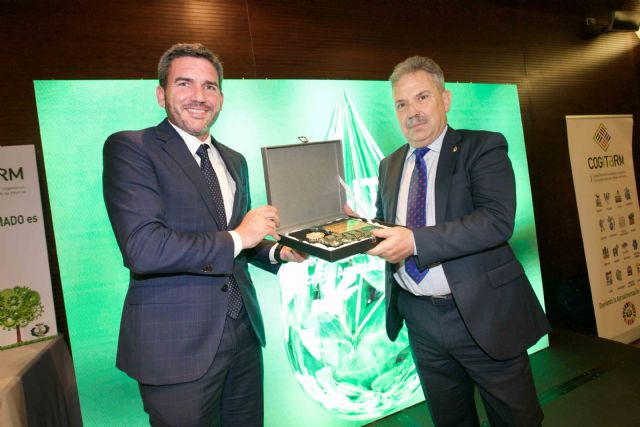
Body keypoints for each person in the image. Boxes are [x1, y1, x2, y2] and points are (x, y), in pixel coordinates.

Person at [102, 43, 305, 427]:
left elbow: (240, 244)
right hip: (176, 347)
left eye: (210, 86)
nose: (199, 96)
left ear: (221, 98)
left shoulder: (233, 160)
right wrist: (241, 237)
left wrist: (279, 252)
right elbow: (144, 248)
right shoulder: (132, 148)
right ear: (161, 93)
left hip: (244, 336)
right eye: (185, 83)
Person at [358, 56, 551, 426]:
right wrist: (358, 225)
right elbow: (391, 225)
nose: (412, 112)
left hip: (482, 314)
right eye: (401, 104)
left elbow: (496, 222)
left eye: (422, 98)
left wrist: (414, 242)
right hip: (419, 318)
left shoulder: (483, 147)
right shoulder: (389, 164)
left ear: (445, 99)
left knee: (517, 419)